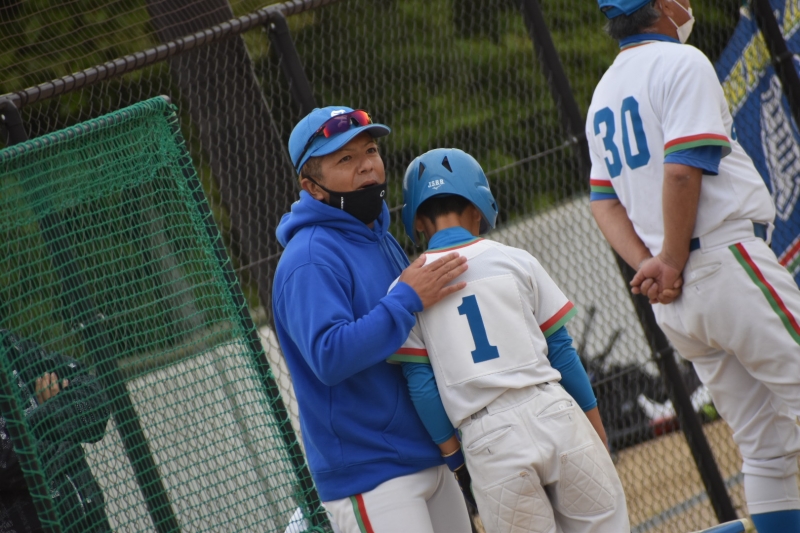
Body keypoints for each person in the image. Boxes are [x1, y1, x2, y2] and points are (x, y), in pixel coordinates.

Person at [588, 1, 800, 532]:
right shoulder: (680, 61)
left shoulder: (603, 92)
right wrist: (670, 259)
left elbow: (603, 202)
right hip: (722, 263)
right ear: (660, 6)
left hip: (677, 299)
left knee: (764, 447)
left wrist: (652, 264)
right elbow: (683, 171)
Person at [390, 147, 630, 533]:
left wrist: (458, 462)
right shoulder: (515, 259)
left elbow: (422, 387)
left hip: (487, 438)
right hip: (554, 411)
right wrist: (596, 432)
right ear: (478, 206)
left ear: (416, 220)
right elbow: (563, 353)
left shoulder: (406, 289)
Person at [272, 106, 474, 533]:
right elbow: (329, 355)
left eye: (370, 150)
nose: (366, 164)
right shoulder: (309, 258)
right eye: (345, 158)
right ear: (312, 187)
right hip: (370, 475)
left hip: (426, 452)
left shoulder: (377, 236)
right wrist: (405, 299)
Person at [0, 328, 110, 533]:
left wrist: (50, 414)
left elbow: (97, 402)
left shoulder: (9, 346)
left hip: (92, 521)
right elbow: (18, 462)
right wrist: (61, 429)